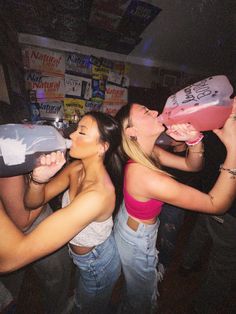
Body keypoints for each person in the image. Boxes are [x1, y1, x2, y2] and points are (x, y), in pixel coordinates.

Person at [113, 99, 236, 314]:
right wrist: (234, 150)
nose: (155, 110)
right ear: (131, 131)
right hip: (136, 238)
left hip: (133, 226)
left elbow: (192, 165)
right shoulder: (146, 177)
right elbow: (216, 205)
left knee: (136, 289)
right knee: (142, 299)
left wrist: (194, 140)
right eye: (145, 111)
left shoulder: (149, 152)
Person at [0, 111, 122, 314]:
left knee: (87, 307)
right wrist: (39, 180)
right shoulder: (76, 168)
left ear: (102, 147)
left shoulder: (97, 195)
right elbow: (31, 203)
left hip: (97, 264)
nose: (71, 135)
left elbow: (10, 260)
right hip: (81, 258)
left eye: (81, 133)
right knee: (81, 294)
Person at [179, 131, 236, 314]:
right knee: (223, 264)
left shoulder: (217, 116)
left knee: (201, 230)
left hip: (209, 194)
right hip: (226, 207)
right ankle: (204, 307)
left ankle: (186, 265)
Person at [0, 175, 72, 314]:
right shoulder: (10, 166)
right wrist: (64, 177)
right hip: (27, 216)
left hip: (22, 206)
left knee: (11, 284)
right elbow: (23, 221)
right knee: (58, 270)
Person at [157, 139, 202, 280]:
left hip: (174, 206)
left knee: (167, 238)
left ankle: (164, 264)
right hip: (158, 200)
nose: (171, 137)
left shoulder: (191, 158)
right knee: (156, 233)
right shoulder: (165, 151)